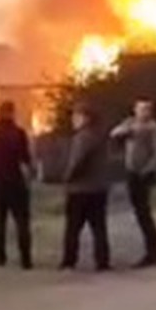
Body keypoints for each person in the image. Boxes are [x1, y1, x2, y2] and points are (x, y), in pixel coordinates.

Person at [110, 98, 156, 268]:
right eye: (140, 109)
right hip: (131, 172)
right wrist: (128, 129)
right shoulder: (130, 125)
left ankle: (154, 253)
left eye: (147, 109)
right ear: (135, 110)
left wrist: (147, 170)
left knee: (144, 213)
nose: (144, 112)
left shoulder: (154, 129)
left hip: (144, 174)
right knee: (140, 212)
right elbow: (113, 134)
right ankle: (151, 251)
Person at [0, 100, 35, 269]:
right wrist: (31, 176)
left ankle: (0, 258)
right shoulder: (18, 133)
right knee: (22, 221)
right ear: (12, 113)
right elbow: (26, 159)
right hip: (15, 183)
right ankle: (26, 260)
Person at [60, 104, 111, 272]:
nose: (74, 120)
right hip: (99, 188)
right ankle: (102, 261)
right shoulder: (100, 136)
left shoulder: (83, 137)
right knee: (99, 228)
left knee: (73, 228)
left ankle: (69, 261)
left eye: (77, 116)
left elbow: (77, 161)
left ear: (86, 118)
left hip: (80, 189)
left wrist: (67, 177)